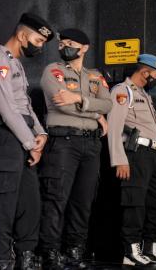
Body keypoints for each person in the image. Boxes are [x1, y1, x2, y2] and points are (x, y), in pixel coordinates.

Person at [0, 13, 54, 270]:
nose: (40, 45)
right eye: (38, 40)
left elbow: (25, 105)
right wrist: (31, 143)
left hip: (24, 137)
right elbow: (7, 109)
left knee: (29, 204)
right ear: (22, 35)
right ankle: (1, 261)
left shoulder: (16, 64)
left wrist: (41, 133)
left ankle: (26, 257)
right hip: (7, 139)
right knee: (4, 205)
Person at [38, 28, 112, 269]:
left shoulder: (94, 75)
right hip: (63, 142)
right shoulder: (53, 71)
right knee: (56, 199)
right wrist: (96, 114)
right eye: (62, 43)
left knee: (83, 201)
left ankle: (74, 252)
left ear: (85, 48)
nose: (64, 47)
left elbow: (108, 103)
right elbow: (62, 105)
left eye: (70, 43)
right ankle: (50, 253)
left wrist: (79, 98)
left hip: (91, 144)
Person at [107, 54, 156, 268]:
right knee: (135, 203)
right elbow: (114, 127)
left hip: (151, 155)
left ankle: (151, 249)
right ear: (145, 72)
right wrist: (119, 159)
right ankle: (131, 252)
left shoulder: (144, 95)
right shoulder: (123, 91)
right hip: (134, 154)